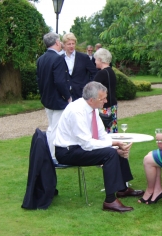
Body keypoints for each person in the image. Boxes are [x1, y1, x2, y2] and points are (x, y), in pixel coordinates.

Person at [54, 81, 144, 212]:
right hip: (67, 152)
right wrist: (114, 145)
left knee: (114, 150)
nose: (106, 101)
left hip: (79, 147)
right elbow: (87, 143)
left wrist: (117, 148)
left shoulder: (92, 109)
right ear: (91, 100)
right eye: (103, 98)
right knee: (110, 153)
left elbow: (102, 135)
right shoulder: (76, 111)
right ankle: (110, 201)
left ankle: (122, 189)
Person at [36, 32, 72, 168]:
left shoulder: (41, 59)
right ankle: (54, 157)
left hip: (46, 99)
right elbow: (60, 81)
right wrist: (68, 96)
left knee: (52, 127)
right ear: (57, 42)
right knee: (56, 129)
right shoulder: (58, 59)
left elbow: (39, 80)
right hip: (57, 100)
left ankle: (51, 156)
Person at [61, 33, 98, 101]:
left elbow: (94, 72)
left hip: (82, 93)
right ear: (64, 45)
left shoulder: (83, 57)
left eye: (73, 43)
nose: (71, 46)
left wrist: (89, 86)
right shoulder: (60, 59)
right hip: (66, 94)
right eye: (69, 44)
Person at [93, 48, 118, 133]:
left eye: (96, 59)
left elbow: (92, 90)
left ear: (100, 60)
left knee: (103, 131)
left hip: (104, 107)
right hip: (112, 105)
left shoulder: (101, 74)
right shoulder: (111, 71)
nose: (95, 61)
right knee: (112, 130)